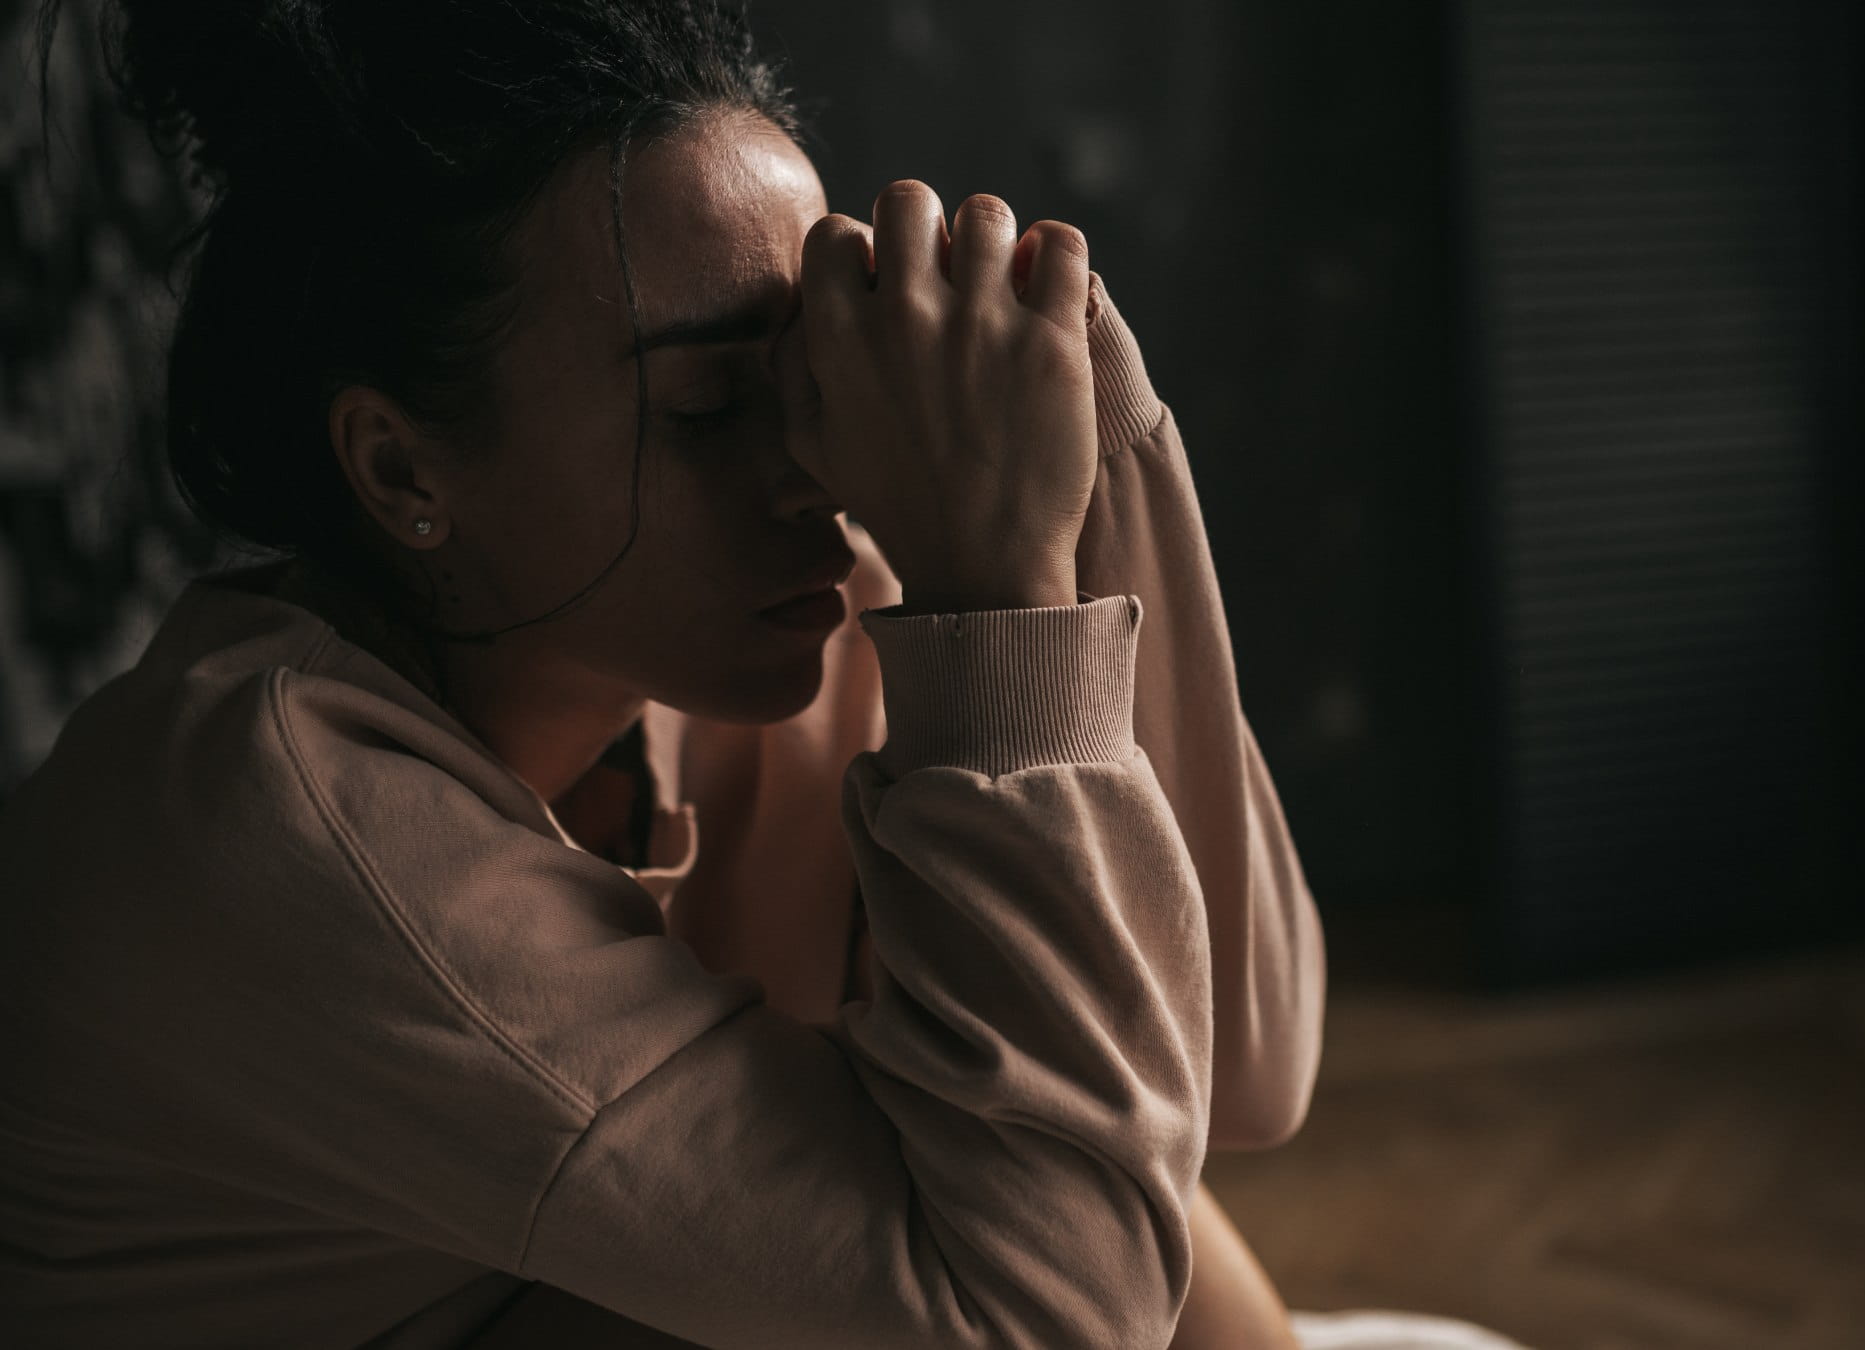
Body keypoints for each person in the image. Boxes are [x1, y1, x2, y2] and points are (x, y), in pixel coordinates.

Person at [0, 1, 1330, 1345]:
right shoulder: (282, 825)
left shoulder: (774, 633)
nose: (813, 470)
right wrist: (998, 600)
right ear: (405, 469)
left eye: (806, 370)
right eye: (703, 409)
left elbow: (1229, 1077)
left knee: (1043, 1111)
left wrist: (1093, 396)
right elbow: (1048, 1313)